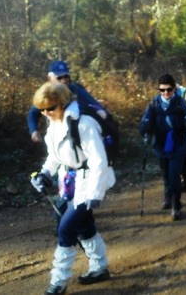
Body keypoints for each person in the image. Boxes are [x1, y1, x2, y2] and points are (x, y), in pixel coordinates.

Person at [29, 82, 116, 294]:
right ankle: (100, 267)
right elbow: (55, 156)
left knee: (66, 228)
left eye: (50, 108)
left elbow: (99, 161)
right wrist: (44, 174)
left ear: (63, 103)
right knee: (84, 226)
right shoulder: (55, 123)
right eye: (42, 110)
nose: (46, 113)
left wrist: (95, 193)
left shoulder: (84, 123)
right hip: (69, 181)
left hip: (89, 182)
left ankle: (58, 282)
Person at [138, 74, 186, 220]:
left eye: (169, 90)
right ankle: (168, 196)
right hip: (161, 145)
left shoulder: (180, 102)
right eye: (162, 90)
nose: (165, 93)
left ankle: (176, 206)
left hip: (178, 144)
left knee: (174, 175)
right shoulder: (154, 103)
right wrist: (146, 126)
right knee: (165, 175)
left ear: (174, 89)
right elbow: (144, 123)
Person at [27, 60, 108, 144]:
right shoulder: (46, 93)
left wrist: (100, 111)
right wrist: (34, 131)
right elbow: (33, 113)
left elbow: (93, 103)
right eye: (59, 77)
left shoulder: (76, 89)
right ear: (49, 78)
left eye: (66, 76)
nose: (64, 80)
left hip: (79, 136)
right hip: (55, 135)